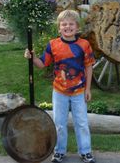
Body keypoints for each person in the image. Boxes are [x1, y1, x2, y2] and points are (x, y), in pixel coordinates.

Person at [24, 9, 96, 163]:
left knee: (82, 122)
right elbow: (42, 64)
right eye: (64, 24)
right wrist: (32, 57)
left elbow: (89, 66)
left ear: (77, 27)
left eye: (71, 24)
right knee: (59, 124)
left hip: (79, 91)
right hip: (59, 92)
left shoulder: (84, 45)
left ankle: (85, 151)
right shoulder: (53, 45)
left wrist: (88, 89)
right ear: (59, 28)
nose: (67, 27)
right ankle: (59, 151)